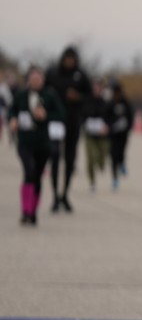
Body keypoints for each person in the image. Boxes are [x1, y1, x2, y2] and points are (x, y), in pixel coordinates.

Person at [7, 66, 64, 225]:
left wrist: (46, 115)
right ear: (28, 80)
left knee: (37, 175)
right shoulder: (21, 95)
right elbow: (12, 111)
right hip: (25, 141)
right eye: (33, 79)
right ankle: (25, 210)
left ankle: (33, 212)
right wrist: (13, 120)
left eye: (38, 79)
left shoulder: (49, 95)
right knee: (29, 171)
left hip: (42, 143)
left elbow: (61, 114)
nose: (35, 81)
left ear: (43, 80)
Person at [45, 45, 92, 213]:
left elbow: (90, 97)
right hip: (56, 122)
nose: (70, 61)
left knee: (70, 159)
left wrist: (78, 97)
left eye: (73, 59)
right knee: (55, 156)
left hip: (73, 121)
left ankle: (65, 194)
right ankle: (54, 196)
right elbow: (43, 94)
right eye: (67, 58)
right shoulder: (53, 73)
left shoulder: (81, 75)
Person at [82, 78, 112, 192]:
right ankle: (92, 182)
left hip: (102, 135)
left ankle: (101, 164)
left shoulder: (106, 103)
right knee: (90, 158)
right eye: (94, 88)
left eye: (98, 88)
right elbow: (81, 115)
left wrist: (107, 126)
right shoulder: (86, 101)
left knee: (102, 156)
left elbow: (111, 117)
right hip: (90, 134)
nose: (96, 90)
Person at [107, 80, 135, 190]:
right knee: (113, 155)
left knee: (121, 152)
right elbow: (106, 117)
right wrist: (111, 126)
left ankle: (122, 163)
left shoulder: (125, 103)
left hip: (123, 134)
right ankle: (114, 178)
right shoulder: (110, 104)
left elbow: (130, 116)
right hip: (113, 135)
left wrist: (128, 127)